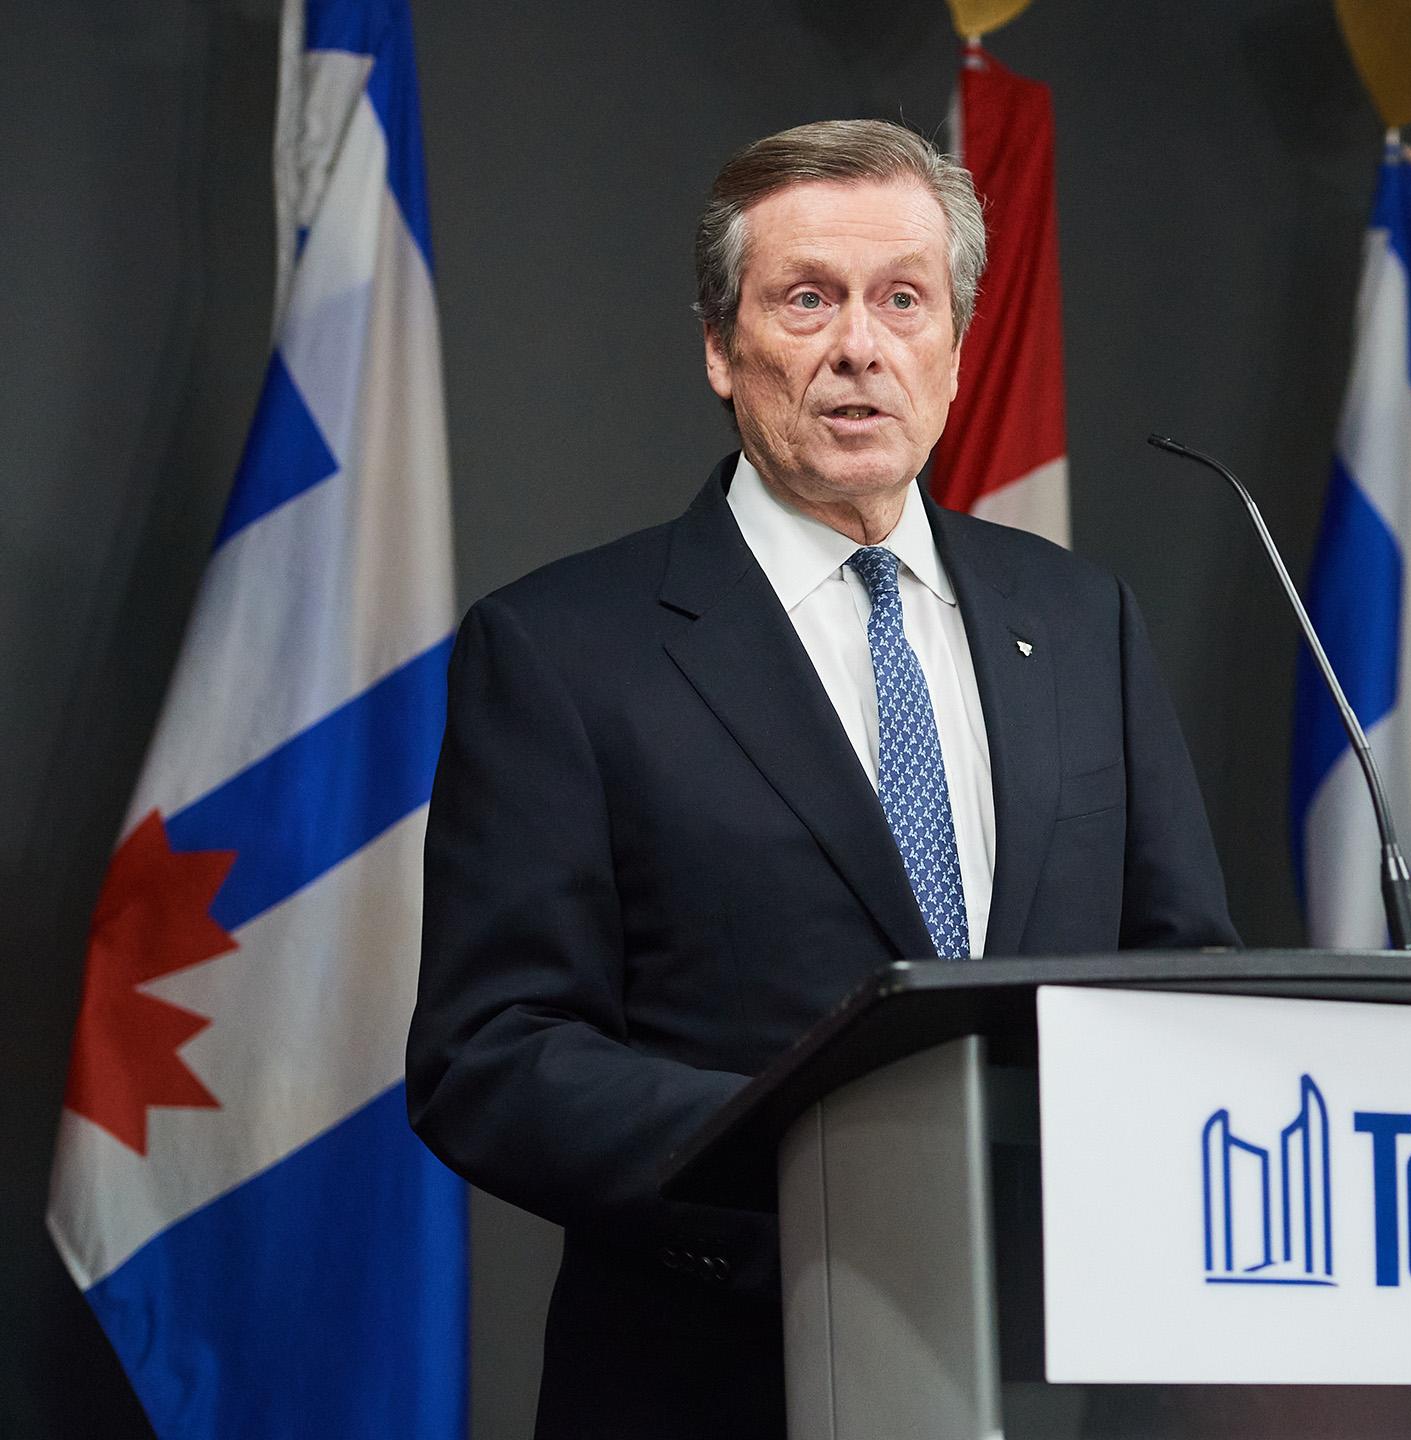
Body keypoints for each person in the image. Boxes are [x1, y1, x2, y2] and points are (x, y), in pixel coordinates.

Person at [406, 119, 1238, 1438]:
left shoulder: (1083, 623)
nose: (860, 345)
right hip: (720, 1375)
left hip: (1054, 1379)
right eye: (808, 298)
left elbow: (1183, 976)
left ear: (956, 352)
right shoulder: (565, 650)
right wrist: (820, 1152)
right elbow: (491, 1058)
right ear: (721, 350)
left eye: (904, 299)